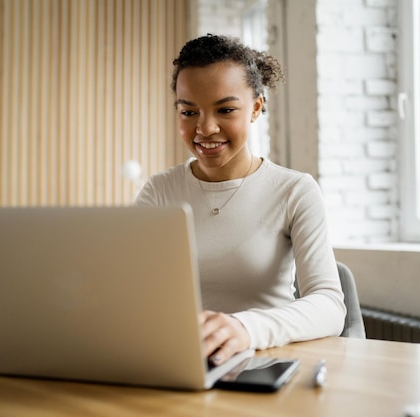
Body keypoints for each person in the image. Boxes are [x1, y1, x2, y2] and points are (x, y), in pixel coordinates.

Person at [134, 34, 346, 366]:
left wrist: (245, 328)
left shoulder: (295, 191)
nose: (205, 128)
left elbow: (330, 306)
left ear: (256, 108)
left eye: (225, 109)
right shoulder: (159, 191)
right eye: (189, 112)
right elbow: (131, 294)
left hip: (267, 362)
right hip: (184, 365)